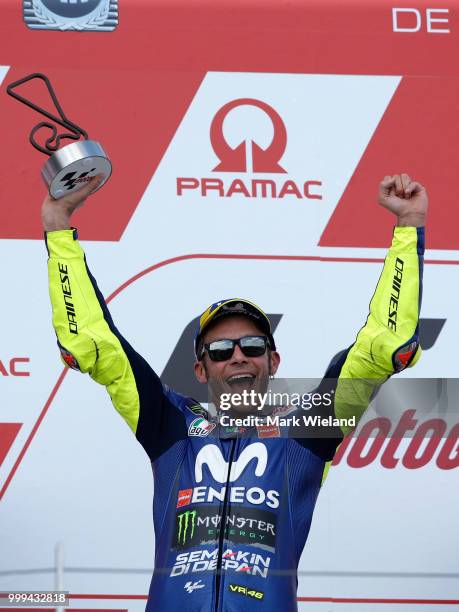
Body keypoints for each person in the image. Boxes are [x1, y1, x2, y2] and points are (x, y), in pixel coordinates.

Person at [42, 173, 427, 611]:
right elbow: (94, 345)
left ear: (273, 362)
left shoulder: (307, 430)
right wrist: (58, 222)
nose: (238, 356)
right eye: (221, 349)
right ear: (201, 370)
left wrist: (408, 225)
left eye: (253, 345)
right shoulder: (171, 427)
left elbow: (381, 348)